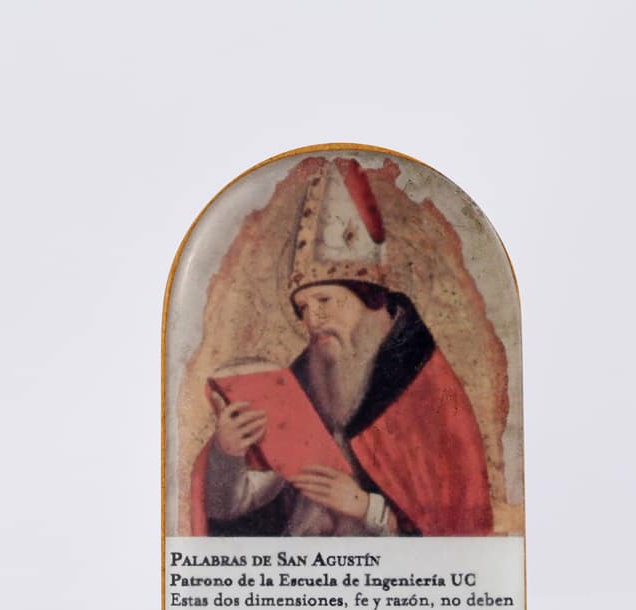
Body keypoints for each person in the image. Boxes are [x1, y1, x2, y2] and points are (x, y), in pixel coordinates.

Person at [190, 159, 493, 537]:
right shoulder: (306, 384)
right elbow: (236, 506)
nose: (311, 319)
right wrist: (228, 453)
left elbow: (453, 527)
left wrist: (366, 507)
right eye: (302, 308)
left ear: (368, 297)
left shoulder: (424, 388)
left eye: (324, 300)